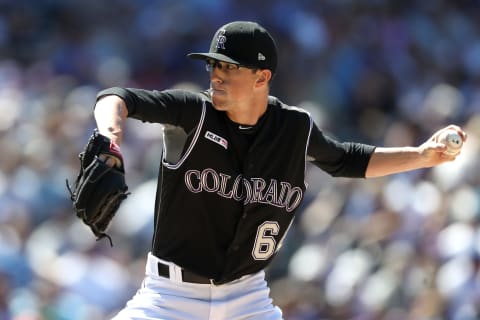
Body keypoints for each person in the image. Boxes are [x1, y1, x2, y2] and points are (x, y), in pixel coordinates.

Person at [92, 21, 466, 319]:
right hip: (169, 298)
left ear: (261, 77)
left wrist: (421, 155)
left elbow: (346, 158)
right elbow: (117, 98)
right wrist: (110, 137)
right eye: (213, 65)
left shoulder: (294, 128)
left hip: (247, 299)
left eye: (229, 66)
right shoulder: (194, 112)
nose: (216, 75)